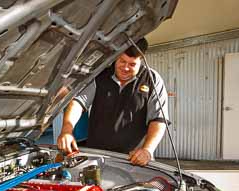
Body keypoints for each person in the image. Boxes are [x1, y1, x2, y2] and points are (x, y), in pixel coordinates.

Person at [57, 38, 169, 166]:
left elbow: (159, 120)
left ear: (141, 59)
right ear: (116, 57)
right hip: (97, 156)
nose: (126, 68)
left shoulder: (152, 79)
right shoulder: (100, 75)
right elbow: (78, 103)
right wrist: (67, 130)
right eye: (122, 61)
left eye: (132, 64)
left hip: (133, 159)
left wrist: (148, 150)